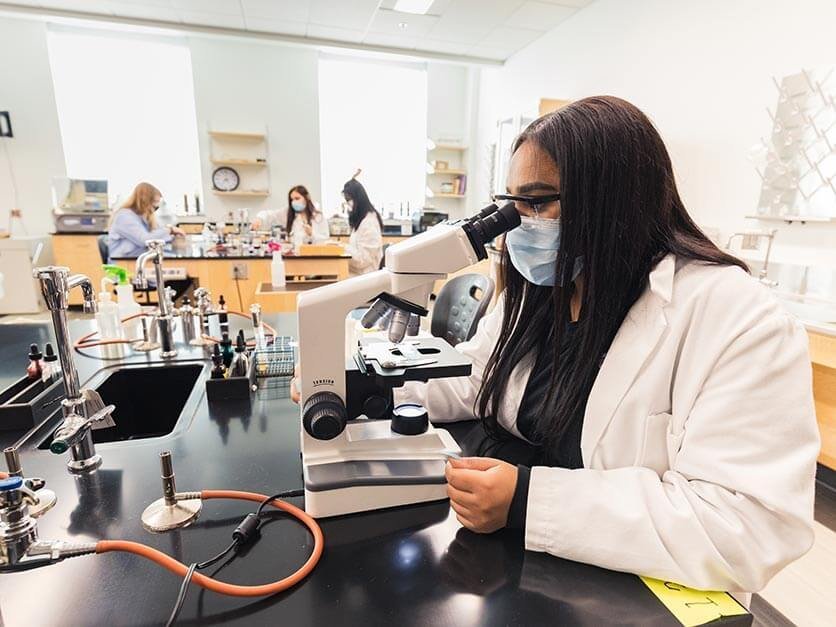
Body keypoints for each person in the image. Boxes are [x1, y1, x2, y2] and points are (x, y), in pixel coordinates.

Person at [394, 96, 819, 593]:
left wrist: (528, 501)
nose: (518, 226)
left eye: (537, 201)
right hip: (523, 568)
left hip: (636, 591)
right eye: (511, 204)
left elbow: (747, 526)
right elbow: (472, 377)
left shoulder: (736, 318)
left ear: (615, 201)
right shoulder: (541, 292)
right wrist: (367, 387)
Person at [108, 182, 184, 259]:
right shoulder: (124, 216)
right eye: (154, 202)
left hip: (138, 257)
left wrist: (172, 236)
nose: (156, 207)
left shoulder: (142, 217)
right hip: (124, 262)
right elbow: (145, 240)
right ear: (145, 200)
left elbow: (155, 234)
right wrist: (169, 230)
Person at [342, 178, 383, 275]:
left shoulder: (369, 223)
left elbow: (362, 260)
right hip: (358, 274)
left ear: (358, 199)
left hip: (365, 277)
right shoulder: (361, 220)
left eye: (349, 199)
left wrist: (342, 247)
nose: (348, 203)